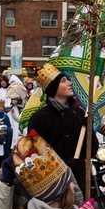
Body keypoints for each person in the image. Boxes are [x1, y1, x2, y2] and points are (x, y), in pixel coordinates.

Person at [27, 63, 97, 195]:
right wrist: (64, 165)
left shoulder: (79, 113)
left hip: (79, 185)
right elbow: (35, 155)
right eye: (63, 81)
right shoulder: (39, 118)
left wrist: (89, 130)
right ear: (53, 87)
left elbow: (92, 150)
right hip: (54, 188)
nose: (70, 83)